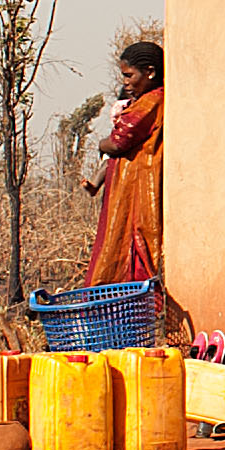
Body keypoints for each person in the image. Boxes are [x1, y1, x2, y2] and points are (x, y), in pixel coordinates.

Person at [79, 40, 167, 291]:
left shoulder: (151, 101)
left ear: (150, 72)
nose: (125, 82)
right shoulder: (149, 100)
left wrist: (102, 143)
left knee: (129, 250)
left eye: (129, 75)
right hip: (129, 185)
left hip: (136, 189)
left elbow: (119, 141)